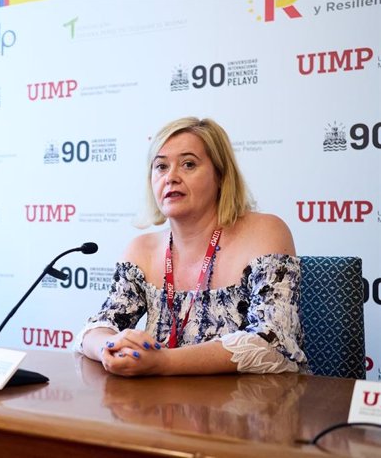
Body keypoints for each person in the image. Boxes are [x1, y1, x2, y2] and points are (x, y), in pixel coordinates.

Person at [76, 117, 307, 376]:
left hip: (256, 407)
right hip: (164, 407)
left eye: (188, 164)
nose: (171, 177)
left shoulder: (266, 233)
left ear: (220, 175)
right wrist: (111, 348)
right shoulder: (141, 250)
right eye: (161, 166)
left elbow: (271, 342)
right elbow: (99, 326)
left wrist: (164, 362)